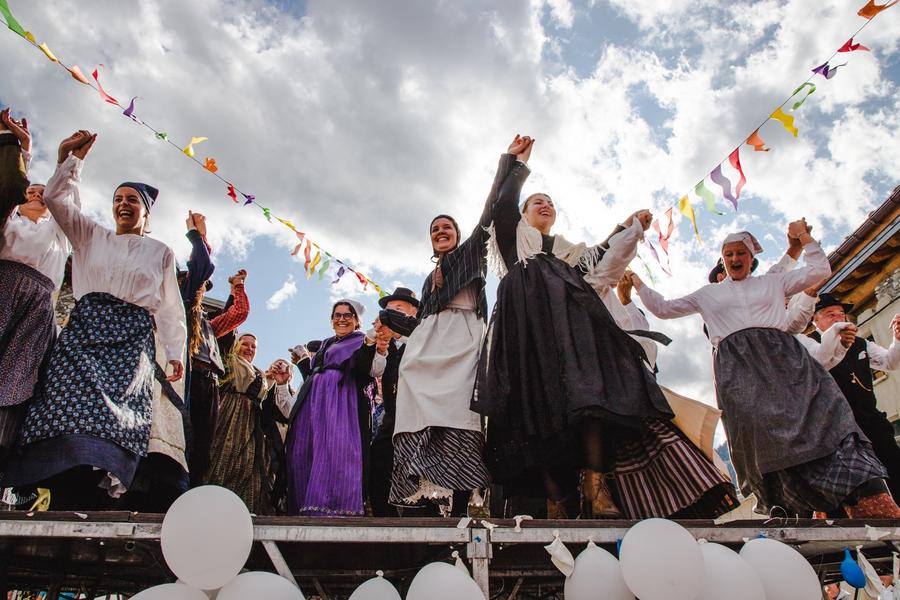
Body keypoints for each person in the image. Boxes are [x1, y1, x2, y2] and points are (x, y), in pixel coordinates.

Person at [475, 136, 732, 520]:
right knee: (535, 414)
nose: (545, 205)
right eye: (536, 201)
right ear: (523, 213)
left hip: (572, 330)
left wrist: (626, 227)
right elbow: (501, 204)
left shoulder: (568, 254)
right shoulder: (513, 239)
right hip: (525, 332)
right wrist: (516, 164)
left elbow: (599, 255)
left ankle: (596, 484)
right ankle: (558, 502)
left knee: (592, 394)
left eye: (550, 203)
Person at [632, 227, 900, 518]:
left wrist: (804, 240)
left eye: (741, 253)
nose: (735, 258)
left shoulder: (772, 281)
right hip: (739, 371)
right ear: (722, 259)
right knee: (759, 438)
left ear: (751, 258)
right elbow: (664, 308)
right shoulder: (709, 294)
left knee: (824, 416)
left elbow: (820, 270)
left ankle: (867, 495)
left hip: (785, 361)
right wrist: (637, 282)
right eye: (729, 254)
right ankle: (782, 506)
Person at [4, 130, 186, 509]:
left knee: (115, 421)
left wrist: (173, 352)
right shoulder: (90, 235)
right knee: (63, 405)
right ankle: (54, 487)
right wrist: (72, 161)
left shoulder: (161, 252)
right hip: (84, 333)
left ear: (146, 212)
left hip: (131, 341)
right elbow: (56, 199)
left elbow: (171, 307)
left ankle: (95, 498)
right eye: (117, 199)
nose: (123, 204)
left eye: (131, 200)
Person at [378, 140, 518, 517]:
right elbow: (422, 321)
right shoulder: (429, 279)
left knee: (461, 413)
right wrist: (392, 320)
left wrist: (511, 162)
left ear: (457, 233)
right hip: (429, 344)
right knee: (417, 396)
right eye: (435, 229)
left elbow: (489, 211)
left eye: (447, 227)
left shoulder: (472, 252)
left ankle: (464, 503)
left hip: (463, 339)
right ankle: (428, 475)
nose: (441, 231)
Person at [0, 109, 67, 474]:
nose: (38, 195)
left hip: (37, 307)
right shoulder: (10, 223)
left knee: (19, 377)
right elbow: (9, 187)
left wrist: (65, 162)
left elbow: (63, 195)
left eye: (44, 193)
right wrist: (22, 149)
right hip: (3, 291)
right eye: (33, 192)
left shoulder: (57, 233)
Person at [799, 294, 900, 501]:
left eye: (841, 314)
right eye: (830, 314)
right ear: (815, 320)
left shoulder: (861, 343)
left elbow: (889, 362)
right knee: (862, 489)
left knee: (895, 470)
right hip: (839, 431)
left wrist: (897, 340)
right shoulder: (811, 346)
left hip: (872, 422)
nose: (838, 318)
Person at [285, 300, 375, 516]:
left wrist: (372, 343)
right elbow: (315, 371)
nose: (342, 319)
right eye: (337, 315)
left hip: (342, 401)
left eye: (348, 315)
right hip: (315, 401)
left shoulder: (361, 341)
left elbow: (365, 369)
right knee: (307, 447)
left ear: (357, 320)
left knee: (337, 447)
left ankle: (336, 505)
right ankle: (305, 503)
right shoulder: (326, 343)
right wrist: (303, 361)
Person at [360, 287, 419, 516]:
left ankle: (422, 526)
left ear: (413, 313)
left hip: (419, 417)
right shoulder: (382, 344)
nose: (390, 313)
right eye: (388, 310)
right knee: (377, 464)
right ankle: (385, 521)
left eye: (398, 309)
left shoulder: (422, 336)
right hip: (392, 416)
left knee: (416, 474)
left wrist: (397, 333)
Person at [204, 332, 273, 513]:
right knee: (223, 457)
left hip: (252, 421)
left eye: (253, 346)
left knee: (249, 465)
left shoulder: (258, 371)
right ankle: (211, 507)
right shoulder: (229, 362)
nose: (249, 348)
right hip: (230, 414)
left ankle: (241, 510)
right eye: (245, 344)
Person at [260, 358, 296, 514]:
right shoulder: (265, 389)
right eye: (276, 365)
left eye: (283, 366)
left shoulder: (294, 394)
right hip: (269, 441)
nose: (279, 368)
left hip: (290, 441)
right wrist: (268, 380)